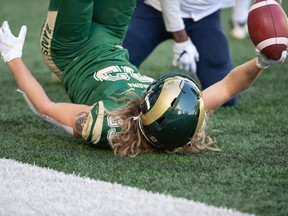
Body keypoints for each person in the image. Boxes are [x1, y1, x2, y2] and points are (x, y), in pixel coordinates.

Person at [0, 0, 287, 157]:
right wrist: (262, 61)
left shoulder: (108, 125)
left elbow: (46, 107)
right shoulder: (177, 117)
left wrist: (13, 57)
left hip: (71, 50)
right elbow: (227, 85)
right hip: (112, 39)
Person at [122, 0, 237, 106]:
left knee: (225, 99)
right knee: (117, 64)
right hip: (153, 10)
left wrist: (240, 19)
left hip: (204, 15)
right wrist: (182, 42)